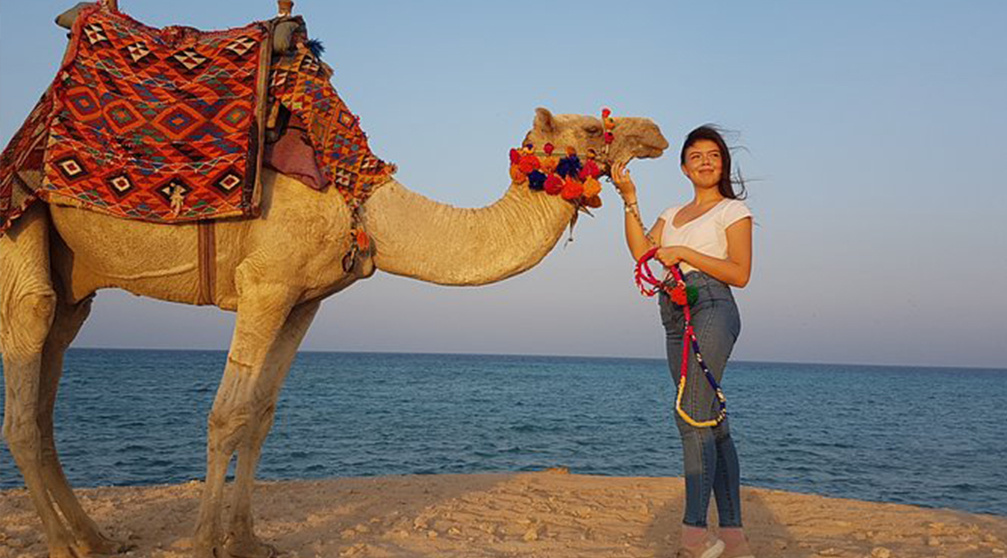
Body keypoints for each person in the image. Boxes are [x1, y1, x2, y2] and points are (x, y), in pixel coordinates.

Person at [611, 125, 754, 558]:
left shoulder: (733, 211)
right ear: (684, 166)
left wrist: (686, 254)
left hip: (712, 304)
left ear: (723, 163)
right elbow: (643, 252)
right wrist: (629, 197)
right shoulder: (672, 213)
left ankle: (694, 535)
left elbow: (740, 273)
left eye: (713, 155)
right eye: (696, 156)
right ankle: (734, 539)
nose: (706, 161)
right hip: (673, 311)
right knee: (714, 424)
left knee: (691, 415)